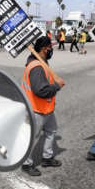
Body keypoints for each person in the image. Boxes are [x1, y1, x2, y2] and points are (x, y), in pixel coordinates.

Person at [21, 36, 65, 176]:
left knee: (51, 131)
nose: (52, 50)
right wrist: (57, 86)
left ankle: (47, 157)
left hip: (46, 109)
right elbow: (41, 90)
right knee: (32, 138)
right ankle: (26, 164)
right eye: (50, 48)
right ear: (44, 49)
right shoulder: (37, 67)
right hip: (36, 109)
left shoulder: (42, 63)